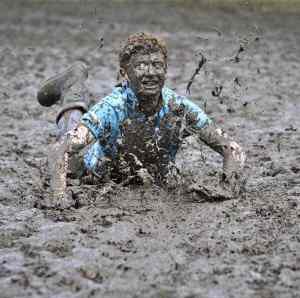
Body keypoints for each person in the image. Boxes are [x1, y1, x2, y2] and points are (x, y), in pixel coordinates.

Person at [37, 32, 246, 209]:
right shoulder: (113, 107)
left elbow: (233, 150)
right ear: (124, 74)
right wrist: (58, 197)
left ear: (165, 70)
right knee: (72, 157)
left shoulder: (179, 108)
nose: (150, 73)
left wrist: (228, 189)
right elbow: (58, 150)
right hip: (93, 172)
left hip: (146, 178)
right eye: (141, 66)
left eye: (157, 65)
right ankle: (72, 88)